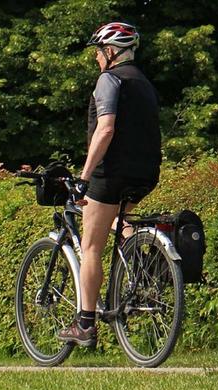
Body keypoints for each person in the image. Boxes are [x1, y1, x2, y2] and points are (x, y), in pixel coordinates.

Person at [58, 22, 162, 346]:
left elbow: (105, 129)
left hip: (111, 174)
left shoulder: (109, 79)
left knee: (91, 246)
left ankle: (85, 323)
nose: (96, 59)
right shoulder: (144, 83)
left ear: (111, 52)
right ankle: (140, 260)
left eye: (99, 52)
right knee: (119, 219)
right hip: (146, 173)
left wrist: (84, 177)